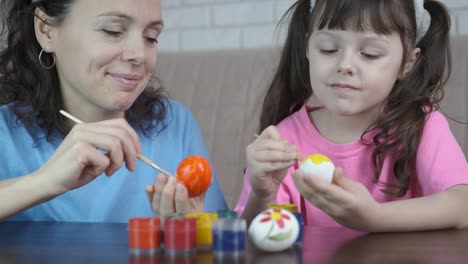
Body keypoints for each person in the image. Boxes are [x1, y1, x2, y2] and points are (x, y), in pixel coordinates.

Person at [235, 0, 468, 232]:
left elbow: (462, 206)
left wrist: (373, 217)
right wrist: (261, 194)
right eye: (328, 48)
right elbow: (250, 239)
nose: (345, 65)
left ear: (407, 63)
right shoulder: (284, 139)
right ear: (307, 47)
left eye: (369, 53)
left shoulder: (422, 126)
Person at [0, 0, 227, 222]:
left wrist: (191, 233)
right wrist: (42, 182)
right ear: (46, 31)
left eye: (151, 37)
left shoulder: (176, 124)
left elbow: (221, 239)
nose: (139, 55)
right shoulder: (5, 134)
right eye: (113, 31)